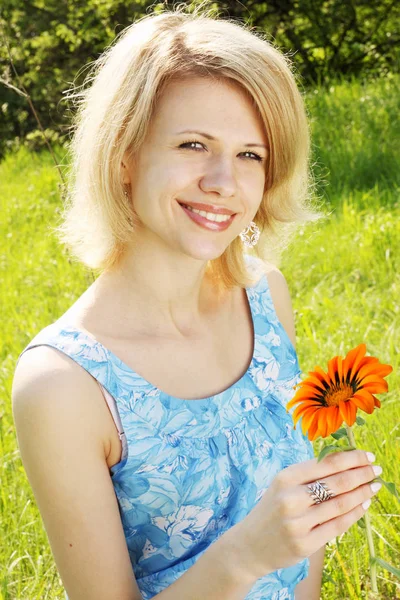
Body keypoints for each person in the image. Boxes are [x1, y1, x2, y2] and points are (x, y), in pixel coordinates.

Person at [11, 5, 382, 600]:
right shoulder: (63, 384)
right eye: (192, 144)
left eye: (250, 154)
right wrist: (245, 556)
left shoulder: (263, 297)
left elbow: (303, 558)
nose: (224, 182)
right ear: (123, 156)